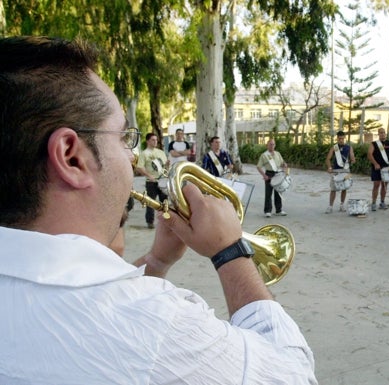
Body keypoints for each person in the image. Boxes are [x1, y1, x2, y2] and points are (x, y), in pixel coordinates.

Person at [0, 36, 316, 384]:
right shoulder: (157, 329)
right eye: (123, 137)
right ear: (72, 157)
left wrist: (158, 261)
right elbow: (293, 375)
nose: (131, 156)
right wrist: (231, 252)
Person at [135, 132, 169, 229]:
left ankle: (166, 221)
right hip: (151, 182)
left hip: (162, 180)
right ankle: (150, 222)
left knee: (165, 201)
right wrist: (149, 175)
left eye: (156, 140)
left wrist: (167, 165)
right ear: (148, 141)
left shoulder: (161, 152)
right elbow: (139, 167)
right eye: (153, 140)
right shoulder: (144, 154)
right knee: (150, 202)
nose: (155, 142)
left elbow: (164, 166)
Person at [367, 128, 389, 211]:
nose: (382, 134)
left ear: (385, 134)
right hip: (377, 167)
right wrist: (375, 164)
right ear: (378, 134)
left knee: (384, 185)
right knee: (376, 185)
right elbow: (369, 155)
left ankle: (382, 202)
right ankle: (374, 203)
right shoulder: (374, 144)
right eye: (380, 133)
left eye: (383, 133)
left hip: (387, 168)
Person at [325, 131, 356, 213]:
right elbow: (328, 159)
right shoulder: (334, 147)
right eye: (339, 138)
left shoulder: (349, 147)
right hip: (335, 171)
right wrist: (329, 167)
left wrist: (352, 159)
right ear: (337, 138)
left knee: (344, 188)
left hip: (345, 170)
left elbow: (352, 158)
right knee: (333, 189)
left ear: (344, 138)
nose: (341, 140)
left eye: (342, 138)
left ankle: (342, 205)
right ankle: (330, 206)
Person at [257, 138, 289, 217]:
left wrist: (284, 165)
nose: (272, 146)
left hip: (278, 173)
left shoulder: (278, 153)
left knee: (278, 192)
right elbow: (258, 167)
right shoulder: (264, 155)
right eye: (270, 144)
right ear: (267, 145)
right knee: (268, 193)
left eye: (273, 144)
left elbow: (282, 163)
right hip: (269, 174)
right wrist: (264, 175)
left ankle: (278, 210)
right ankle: (267, 211)